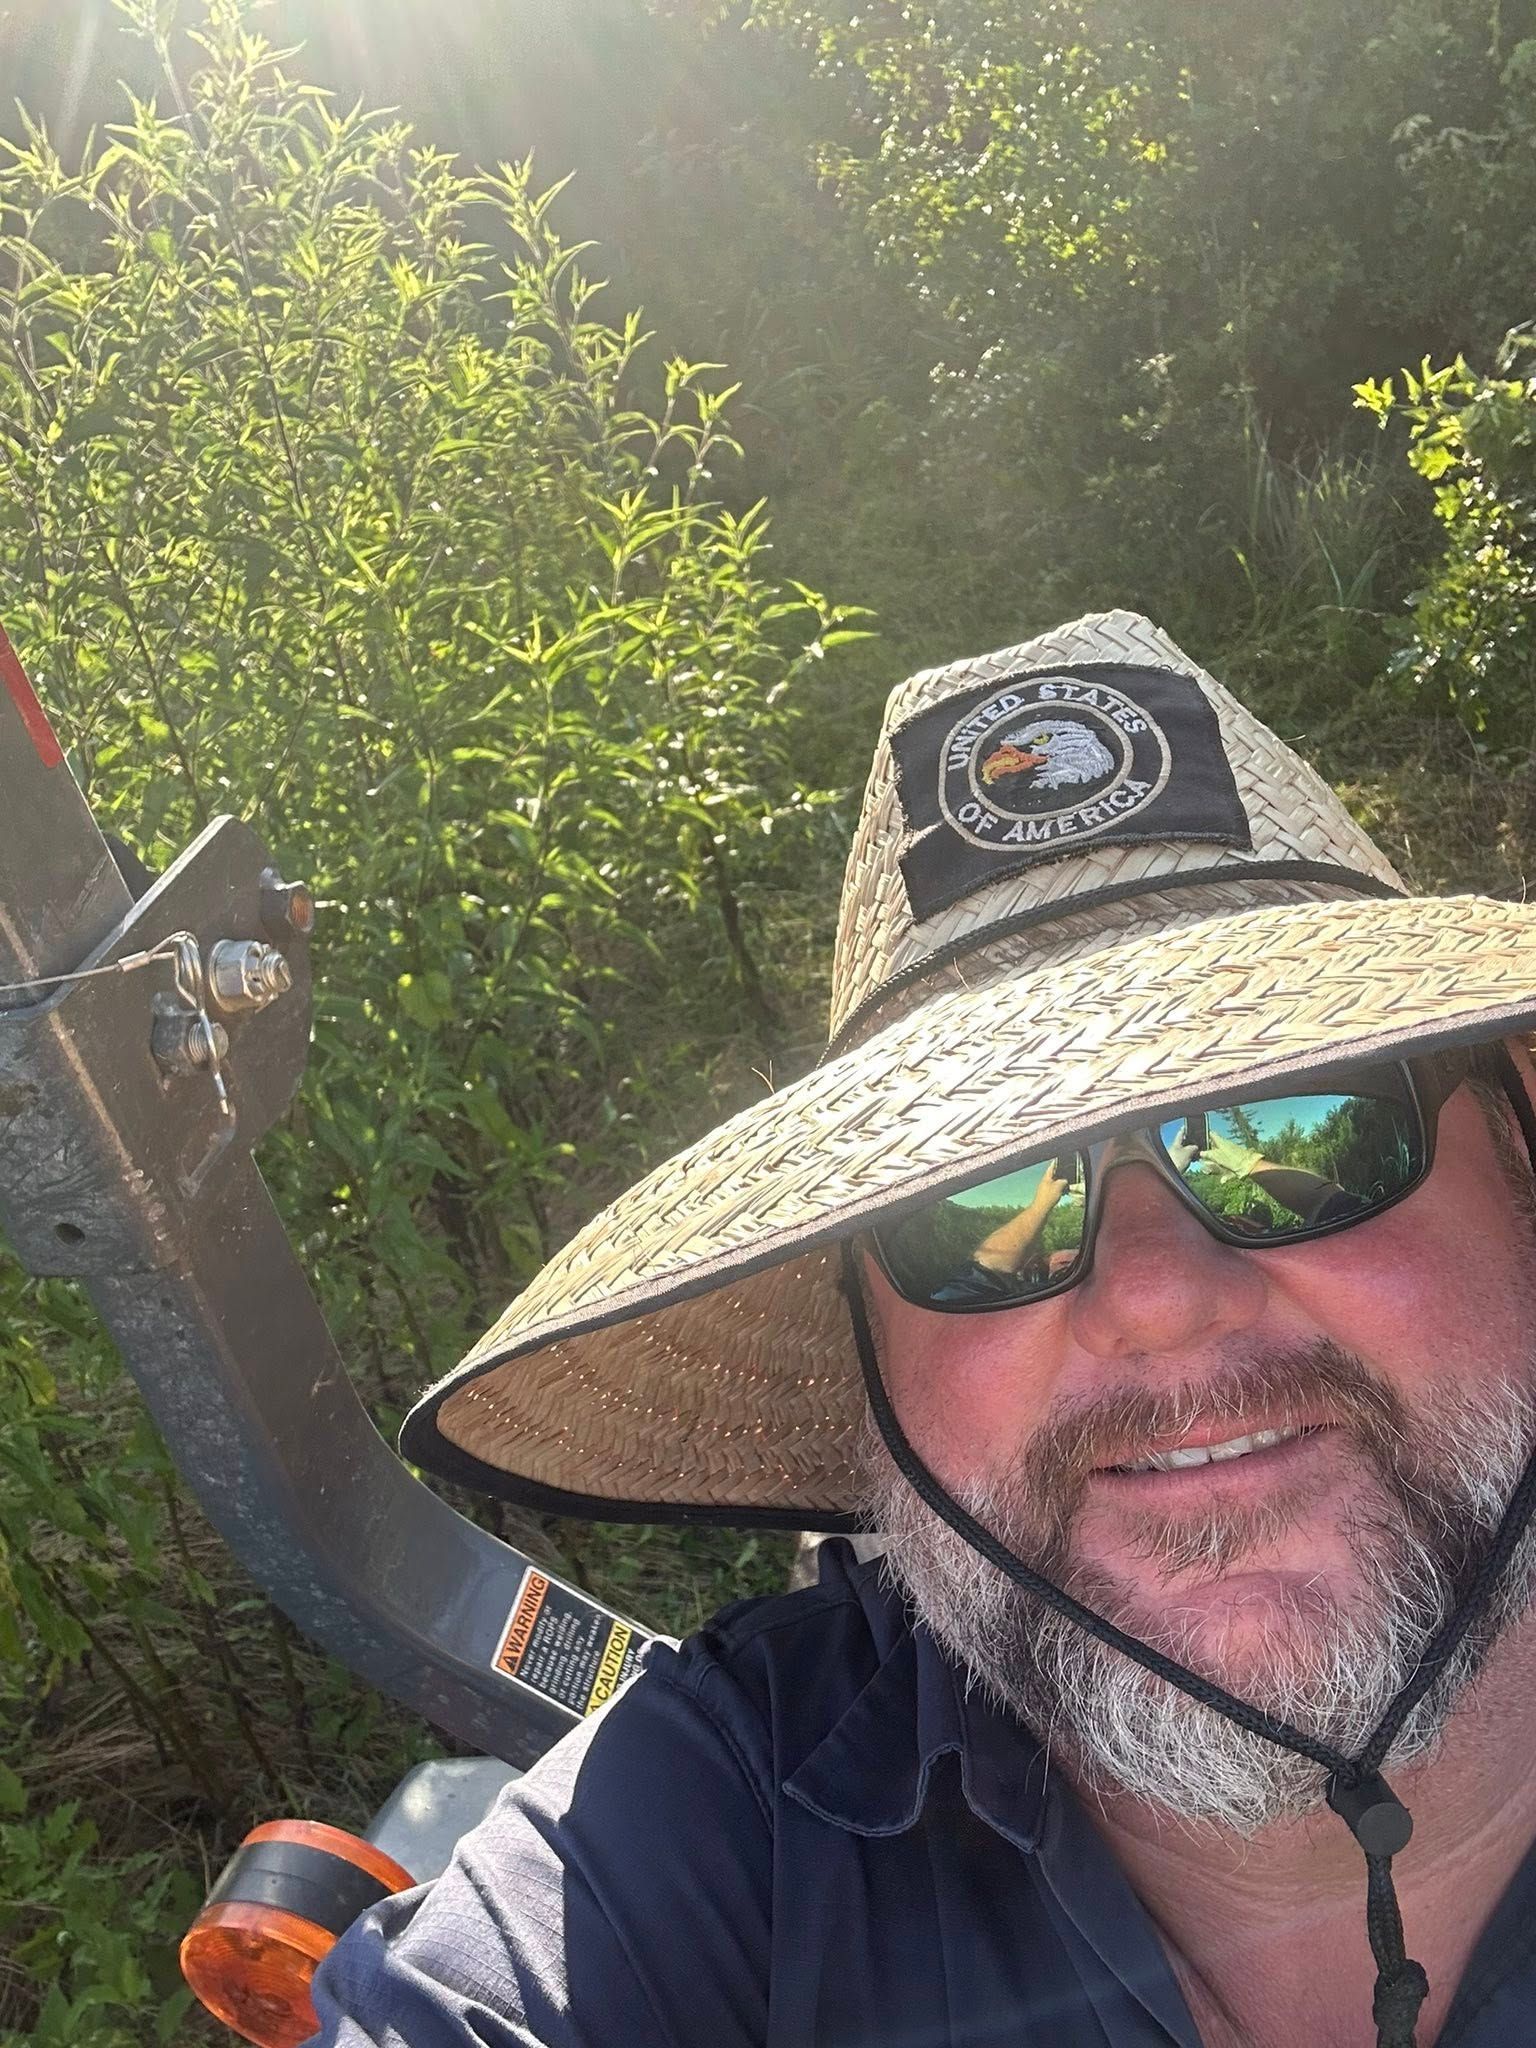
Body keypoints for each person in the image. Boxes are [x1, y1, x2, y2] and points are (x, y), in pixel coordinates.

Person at [309, 611, 1536, 2048]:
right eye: (976, 1204)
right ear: (873, 1355)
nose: (1153, 1295)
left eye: (1297, 1127)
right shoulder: (697, 1846)